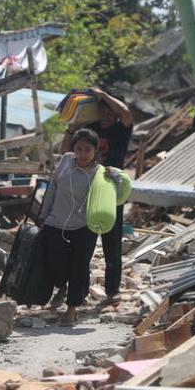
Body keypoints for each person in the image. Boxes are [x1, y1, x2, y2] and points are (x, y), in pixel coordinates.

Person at [39, 129, 122, 326]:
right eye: (79, 149)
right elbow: (53, 187)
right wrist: (43, 214)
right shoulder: (66, 160)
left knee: (79, 266)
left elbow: (115, 197)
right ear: (73, 149)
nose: (83, 154)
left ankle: (72, 309)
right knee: (54, 262)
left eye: (87, 149)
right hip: (55, 221)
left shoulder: (101, 174)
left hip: (83, 226)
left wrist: (116, 179)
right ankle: (61, 286)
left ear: (95, 151)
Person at [61, 88, 133, 305]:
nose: (108, 114)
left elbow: (127, 114)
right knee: (84, 243)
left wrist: (102, 95)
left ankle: (112, 291)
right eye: (103, 109)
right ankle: (80, 292)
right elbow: (65, 151)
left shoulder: (121, 129)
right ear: (98, 111)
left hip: (111, 190)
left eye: (111, 110)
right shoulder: (88, 130)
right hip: (86, 188)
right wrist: (70, 129)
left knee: (112, 244)